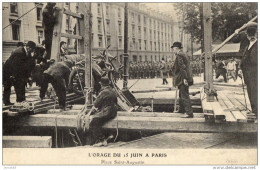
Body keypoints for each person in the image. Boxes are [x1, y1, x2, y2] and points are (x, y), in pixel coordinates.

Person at [233, 22, 258, 118]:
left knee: (254, 90)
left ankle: (256, 111)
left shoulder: (256, 45)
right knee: (251, 90)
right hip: (248, 71)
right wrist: (240, 67)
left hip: (253, 72)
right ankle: (254, 110)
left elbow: (254, 59)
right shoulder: (249, 44)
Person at [3, 41, 36, 105]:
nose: (32, 51)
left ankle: (21, 100)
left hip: (17, 71)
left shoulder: (27, 53)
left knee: (21, 83)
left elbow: (27, 66)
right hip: (8, 71)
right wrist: (13, 75)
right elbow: (14, 65)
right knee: (8, 86)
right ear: (28, 47)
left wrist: (28, 76)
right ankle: (7, 102)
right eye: (32, 49)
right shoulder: (19, 52)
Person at [88, 77, 118, 146]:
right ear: (109, 83)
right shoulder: (112, 90)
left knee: (93, 123)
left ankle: (101, 140)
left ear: (101, 84)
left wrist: (90, 112)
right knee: (101, 120)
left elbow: (96, 104)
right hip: (114, 111)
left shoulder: (103, 92)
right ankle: (109, 135)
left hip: (108, 112)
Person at [171, 42, 194, 118]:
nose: (173, 51)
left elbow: (182, 67)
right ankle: (182, 109)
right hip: (183, 78)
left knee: (184, 95)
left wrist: (185, 78)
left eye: (173, 49)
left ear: (176, 48)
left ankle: (189, 113)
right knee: (181, 94)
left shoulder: (179, 55)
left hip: (182, 78)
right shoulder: (184, 54)